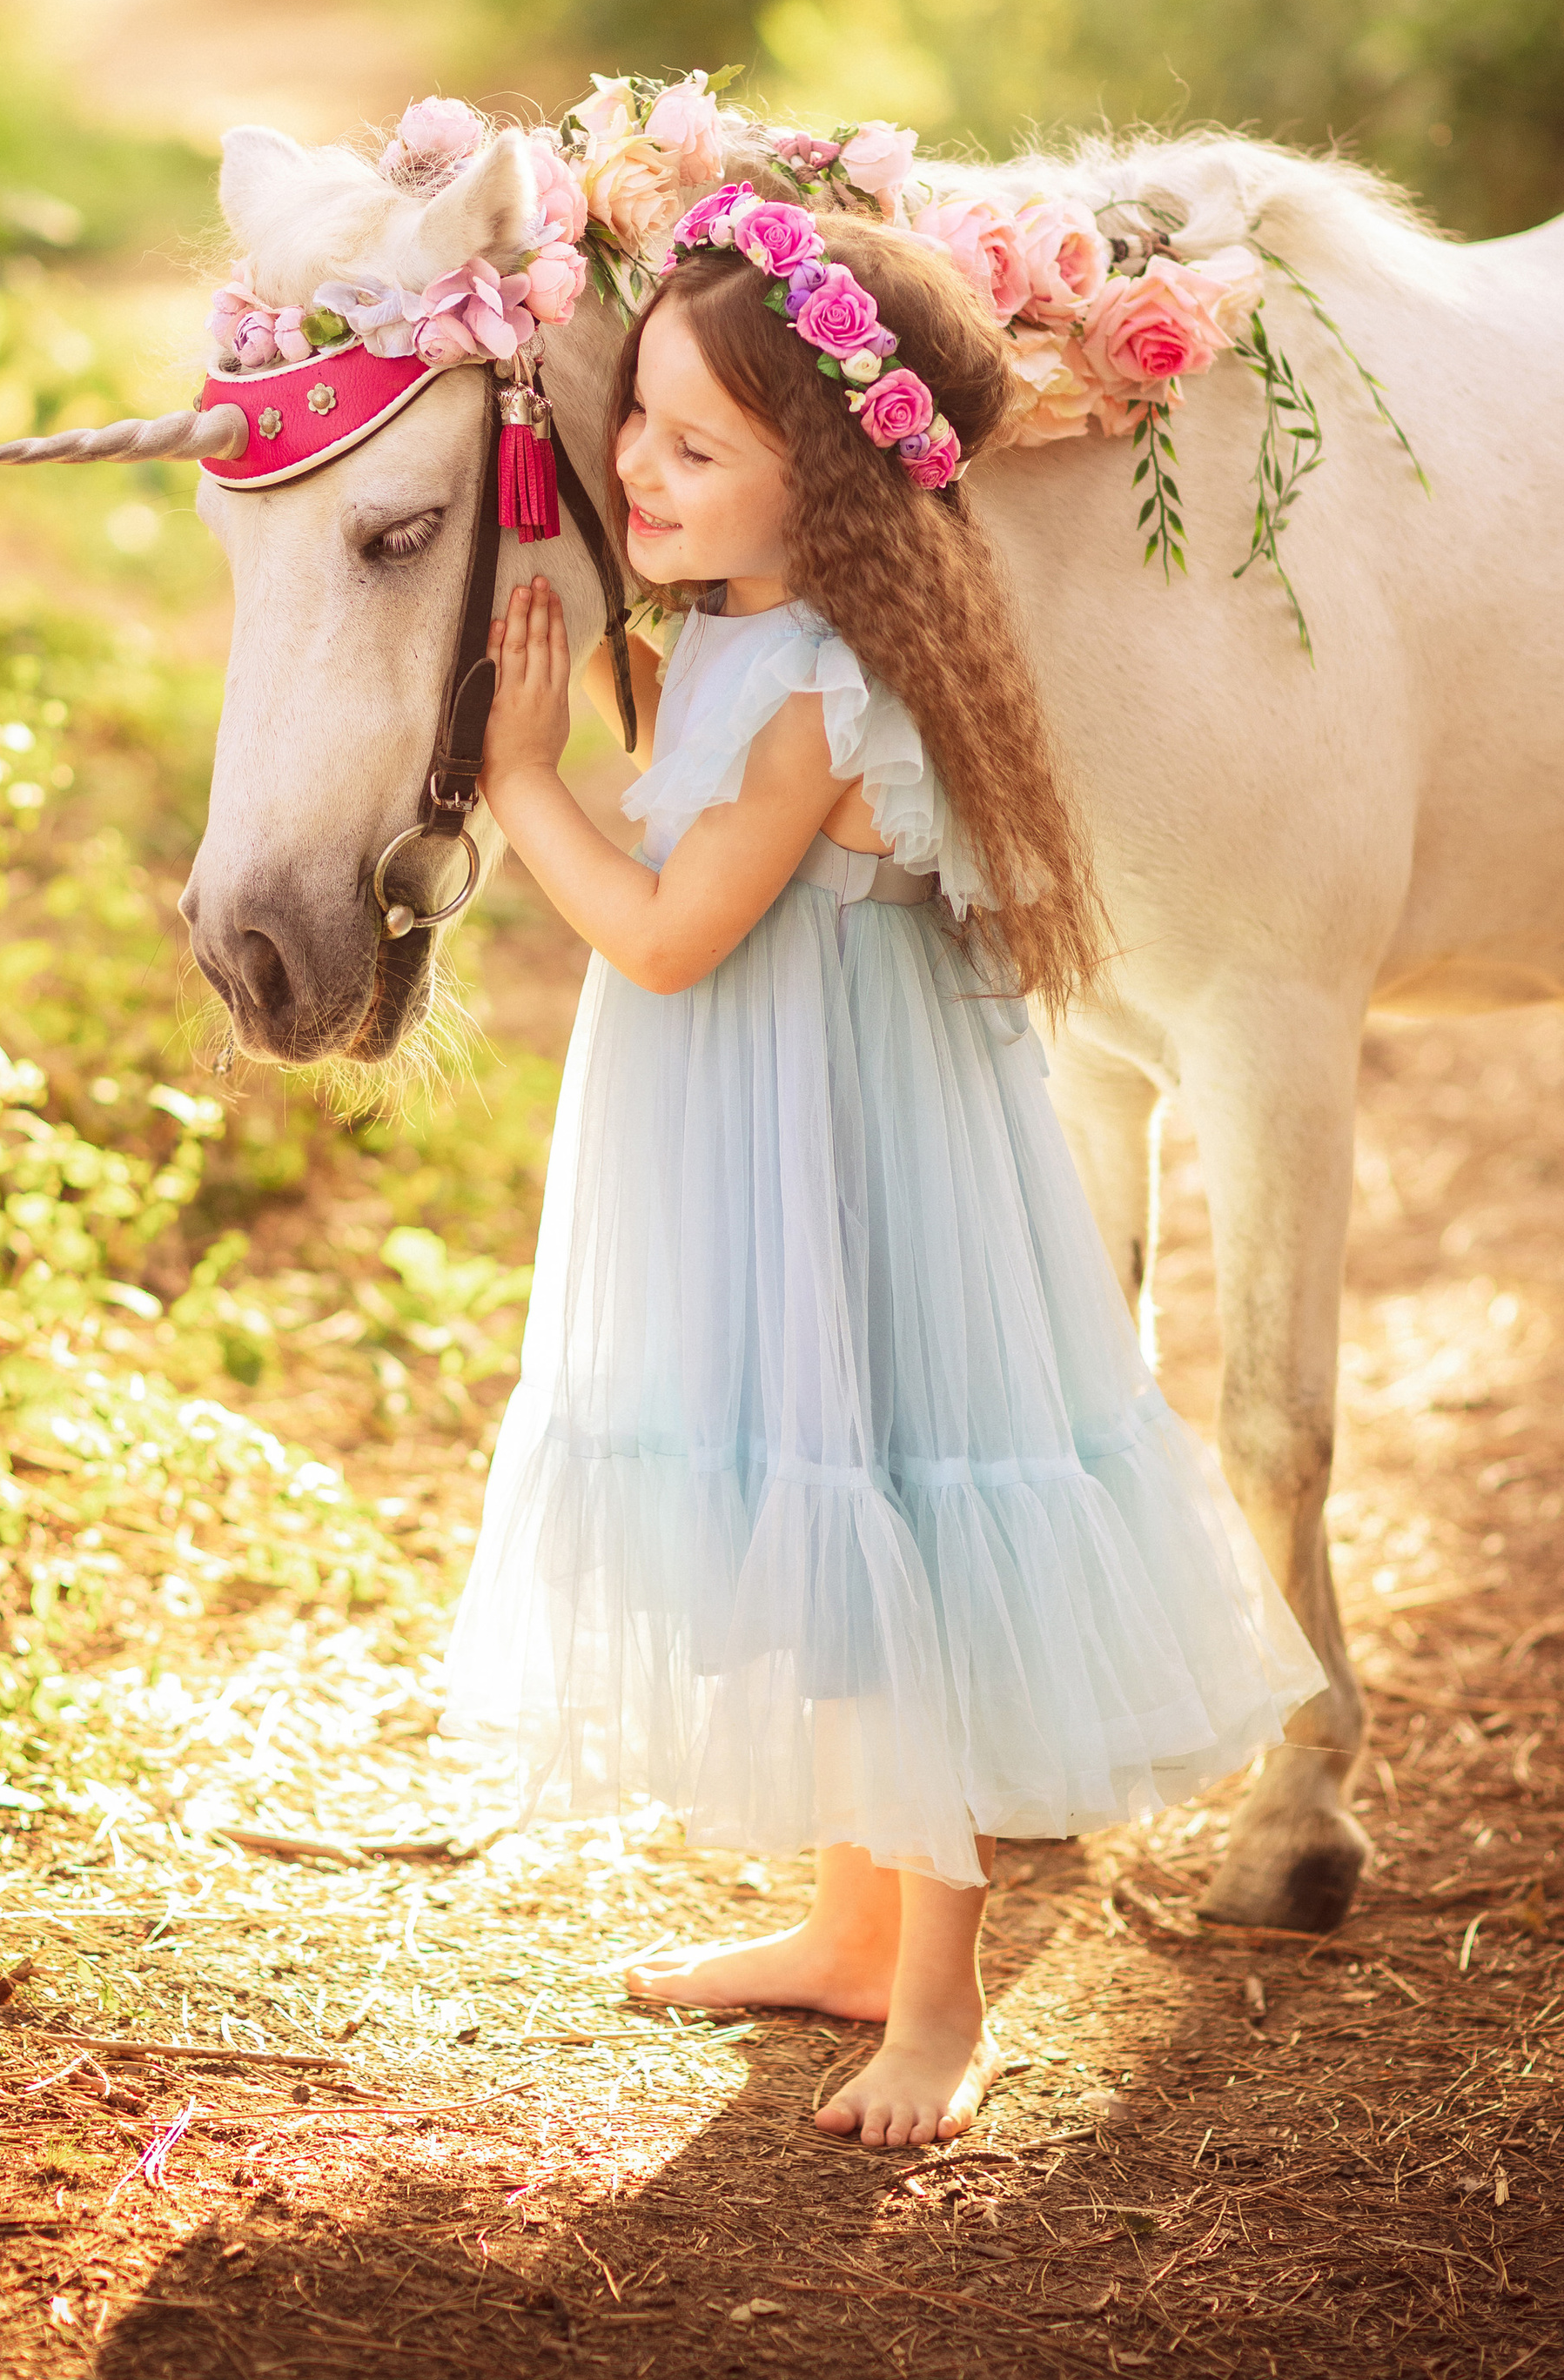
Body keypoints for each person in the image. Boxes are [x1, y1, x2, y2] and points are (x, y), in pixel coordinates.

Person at [446, 179, 1321, 2152]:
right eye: (636, 422)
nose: (637, 472)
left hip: (850, 1154)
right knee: (809, 1481)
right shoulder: (745, 643)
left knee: (891, 1511)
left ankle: (937, 1993)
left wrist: (520, 787)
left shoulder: (824, 686)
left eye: (695, 444)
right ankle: (848, 1928)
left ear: (829, 479)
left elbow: (671, 934)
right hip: (764, 1135)